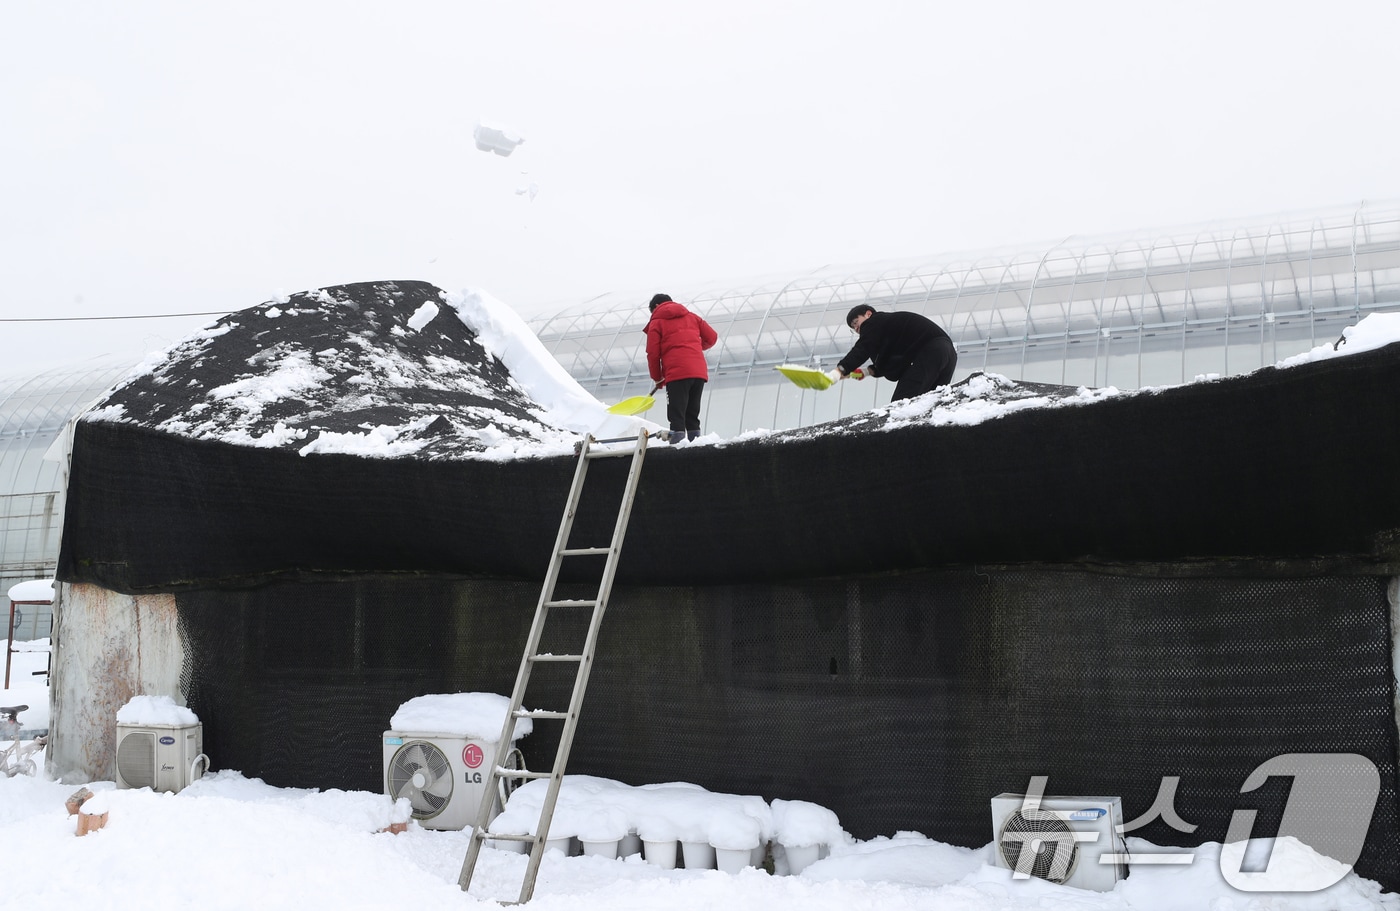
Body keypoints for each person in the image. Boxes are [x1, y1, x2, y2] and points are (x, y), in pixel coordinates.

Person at [827, 304, 957, 401]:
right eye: (853, 328)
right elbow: (886, 364)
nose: (856, 328)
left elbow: (862, 348)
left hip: (931, 350)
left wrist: (840, 370)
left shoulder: (874, 322)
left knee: (900, 404)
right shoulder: (888, 331)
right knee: (931, 403)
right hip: (948, 355)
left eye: (856, 322)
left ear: (868, 314)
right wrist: (862, 373)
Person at [645, 293, 718, 443]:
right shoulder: (692, 317)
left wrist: (657, 378)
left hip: (677, 374)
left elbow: (653, 354)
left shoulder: (657, 322)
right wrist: (695, 348)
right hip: (698, 373)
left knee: (676, 417)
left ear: (656, 307)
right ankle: (696, 447)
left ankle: (677, 451)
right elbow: (712, 337)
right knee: (692, 415)